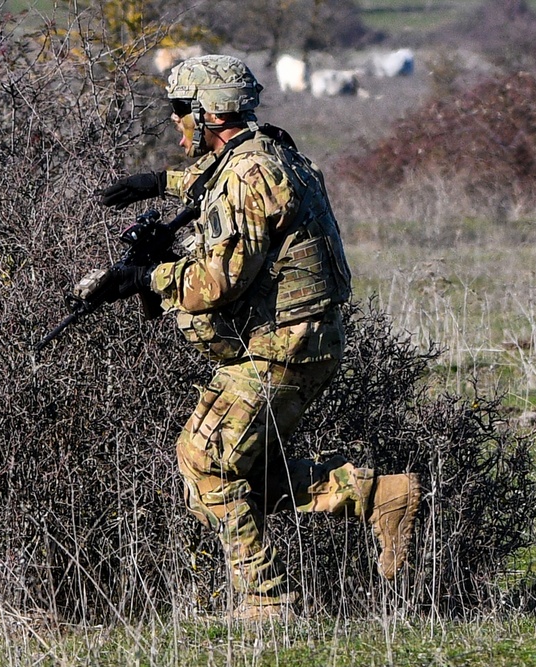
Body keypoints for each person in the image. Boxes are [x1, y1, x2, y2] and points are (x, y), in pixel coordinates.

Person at [95, 55, 421, 619]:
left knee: (206, 464)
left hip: (285, 347)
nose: (176, 125)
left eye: (180, 112)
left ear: (205, 112)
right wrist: (157, 183)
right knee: (238, 476)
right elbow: (221, 183)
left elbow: (216, 284)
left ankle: (267, 602)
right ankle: (377, 497)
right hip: (305, 342)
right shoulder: (270, 150)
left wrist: (144, 278)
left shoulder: (246, 176)